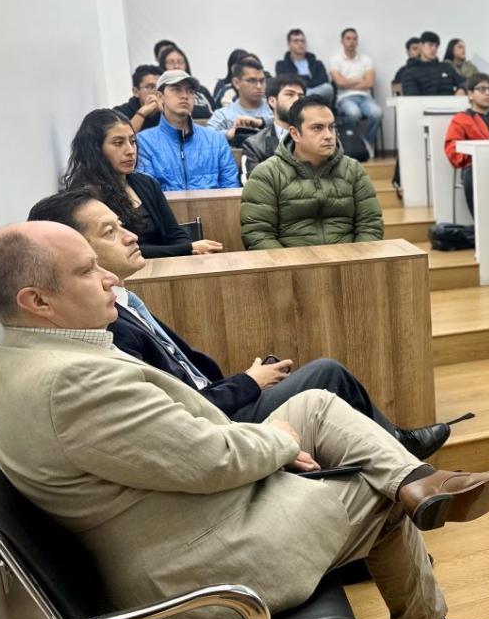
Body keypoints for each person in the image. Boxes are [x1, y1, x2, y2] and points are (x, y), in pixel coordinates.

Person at [0, 220, 489, 619]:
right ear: (37, 301)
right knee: (376, 491)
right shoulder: (72, 384)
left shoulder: (28, 358)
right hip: (199, 572)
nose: (109, 277)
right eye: (87, 270)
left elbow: (180, 444)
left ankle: (421, 481)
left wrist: (272, 443)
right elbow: (212, 460)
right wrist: (278, 444)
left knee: (314, 404)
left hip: (182, 521)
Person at [28, 190, 451, 459]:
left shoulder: (123, 298)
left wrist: (244, 378)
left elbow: (190, 377)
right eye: (110, 232)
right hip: (218, 424)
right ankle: (400, 453)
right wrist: (249, 382)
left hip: (218, 397)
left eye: (122, 225)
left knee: (319, 379)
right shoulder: (108, 325)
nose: (131, 236)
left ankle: (395, 452)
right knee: (327, 373)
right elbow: (184, 409)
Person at [63, 109, 222, 258]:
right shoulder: (86, 197)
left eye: (132, 141)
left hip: (166, 267)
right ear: (96, 149)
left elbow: (175, 233)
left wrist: (192, 252)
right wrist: (187, 248)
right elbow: (121, 250)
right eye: (118, 143)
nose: (130, 150)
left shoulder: (146, 183)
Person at [241, 96, 384, 249]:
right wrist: (291, 263)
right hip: (292, 260)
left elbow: (370, 225)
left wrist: (356, 258)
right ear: (295, 134)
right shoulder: (267, 174)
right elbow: (258, 234)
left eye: (331, 127)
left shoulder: (353, 169)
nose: (328, 136)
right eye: (317, 128)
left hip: (348, 259)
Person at [135, 70, 239, 191]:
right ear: (160, 96)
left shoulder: (216, 140)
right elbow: (147, 191)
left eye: (190, 91)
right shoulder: (144, 142)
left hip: (212, 203)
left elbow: (231, 188)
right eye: (176, 89)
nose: (185, 96)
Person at [444, 73, 489, 215]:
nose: (488, 93)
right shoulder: (461, 119)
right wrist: (474, 156)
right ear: (470, 94)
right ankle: (479, 222)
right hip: (475, 168)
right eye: (482, 89)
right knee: (470, 175)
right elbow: (452, 148)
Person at [241, 74, 307, 181]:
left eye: (301, 96)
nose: (297, 100)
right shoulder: (255, 145)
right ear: (272, 101)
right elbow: (254, 183)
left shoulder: (317, 136)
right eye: (290, 94)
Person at [329, 27, 383, 153]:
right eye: (348, 39)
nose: (351, 41)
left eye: (354, 39)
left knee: (377, 113)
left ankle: (366, 143)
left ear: (357, 41)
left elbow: (369, 82)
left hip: (365, 97)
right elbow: (339, 82)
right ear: (342, 41)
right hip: (345, 98)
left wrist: (348, 82)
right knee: (353, 113)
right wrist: (359, 80)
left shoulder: (366, 59)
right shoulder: (335, 59)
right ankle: (353, 143)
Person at [208, 58, 273, 142]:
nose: (259, 86)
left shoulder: (275, 110)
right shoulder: (223, 115)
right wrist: (229, 134)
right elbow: (206, 138)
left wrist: (262, 122)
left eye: (262, 81)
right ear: (236, 83)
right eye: (252, 81)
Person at [275, 28, 333, 103]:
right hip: (296, 96)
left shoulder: (317, 63)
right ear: (289, 44)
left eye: (302, 41)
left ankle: (306, 99)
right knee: (291, 93)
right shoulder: (281, 65)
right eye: (296, 41)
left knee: (328, 88)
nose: (300, 44)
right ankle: (306, 99)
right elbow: (287, 84)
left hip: (314, 95)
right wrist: (309, 79)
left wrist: (302, 81)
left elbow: (324, 81)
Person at [400, 31, 465, 97]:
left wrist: (462, 89)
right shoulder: (410, 73)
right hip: (425, 103)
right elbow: (412, 99)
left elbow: (465, 82)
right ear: (421, 46)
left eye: (436, 46)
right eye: (430, 45)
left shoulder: (446, 67)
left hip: (451, 103)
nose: (434, 49)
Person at [157, 44, 214, 117]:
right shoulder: (158, 91)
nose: (176, 66)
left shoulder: (201, 90)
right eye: (171, 62)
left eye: (180, 62)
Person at [113, 64, 163, 132]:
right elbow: (124, 136)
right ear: (136, 92)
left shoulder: (168, 108)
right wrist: (143, 112)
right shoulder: (120, 113)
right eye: (151, 87)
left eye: (160, 87)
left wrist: (164, 112)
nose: (157, 92)